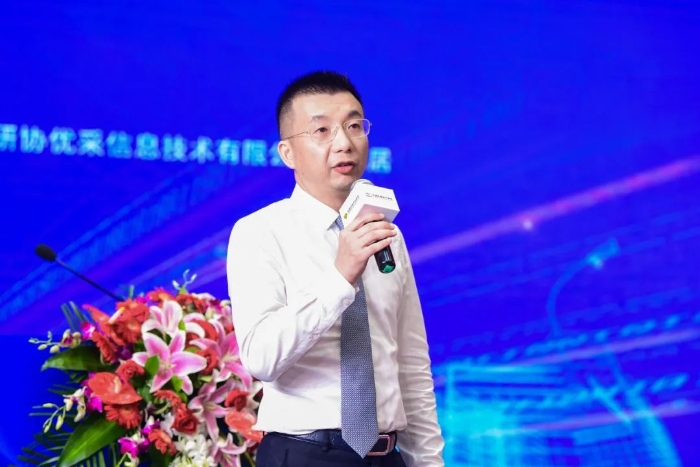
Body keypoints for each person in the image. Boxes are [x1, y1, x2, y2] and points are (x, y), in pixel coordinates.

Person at [226, 70, 444, 466]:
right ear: (287, 152)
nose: (344, 143)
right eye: (321, 130)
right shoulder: (259, 232)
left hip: (387, 456)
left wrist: (428, 462)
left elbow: (411, 364)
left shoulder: (386, 234)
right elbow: (261, 357)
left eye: (354, 126)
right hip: (305, 454)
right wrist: (340, 277)